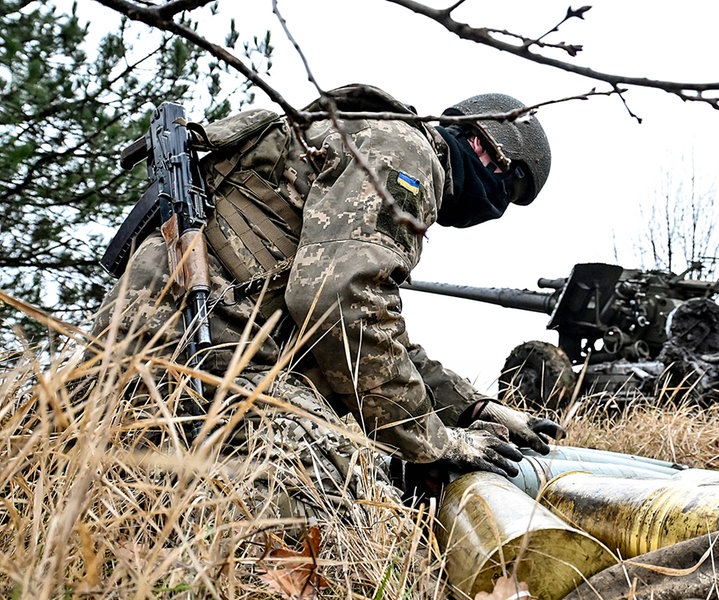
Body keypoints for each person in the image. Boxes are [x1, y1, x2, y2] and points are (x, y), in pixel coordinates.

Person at [88, 84, 564, 515]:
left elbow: (362, 323)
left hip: (173, 337)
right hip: (197, 343)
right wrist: (437, 442)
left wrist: (473, 408)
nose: (498, 207)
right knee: (344, 486)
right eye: (511, 188)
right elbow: (340, 304)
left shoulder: (371, 137)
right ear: (484, 146)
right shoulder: (405, 153)